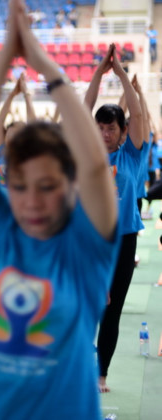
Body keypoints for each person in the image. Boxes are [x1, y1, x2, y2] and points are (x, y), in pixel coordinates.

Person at [0, 1, 120, 418]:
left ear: (71, 185)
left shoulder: (86, 246)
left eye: (48, 186)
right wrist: (7, 53)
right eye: (20, 186)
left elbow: (96, 165)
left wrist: (42, 62)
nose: (32, 200)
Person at [84, 43, 145, 393]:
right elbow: (83, 108)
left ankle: (101, 373)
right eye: (100, 128)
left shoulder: (132, 156)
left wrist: (121, 75)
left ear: (122, 131)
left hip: (123, 241)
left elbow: (136, 114)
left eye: (112, 129)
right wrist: (99, 72)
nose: (105, 134)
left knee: (112, 309)